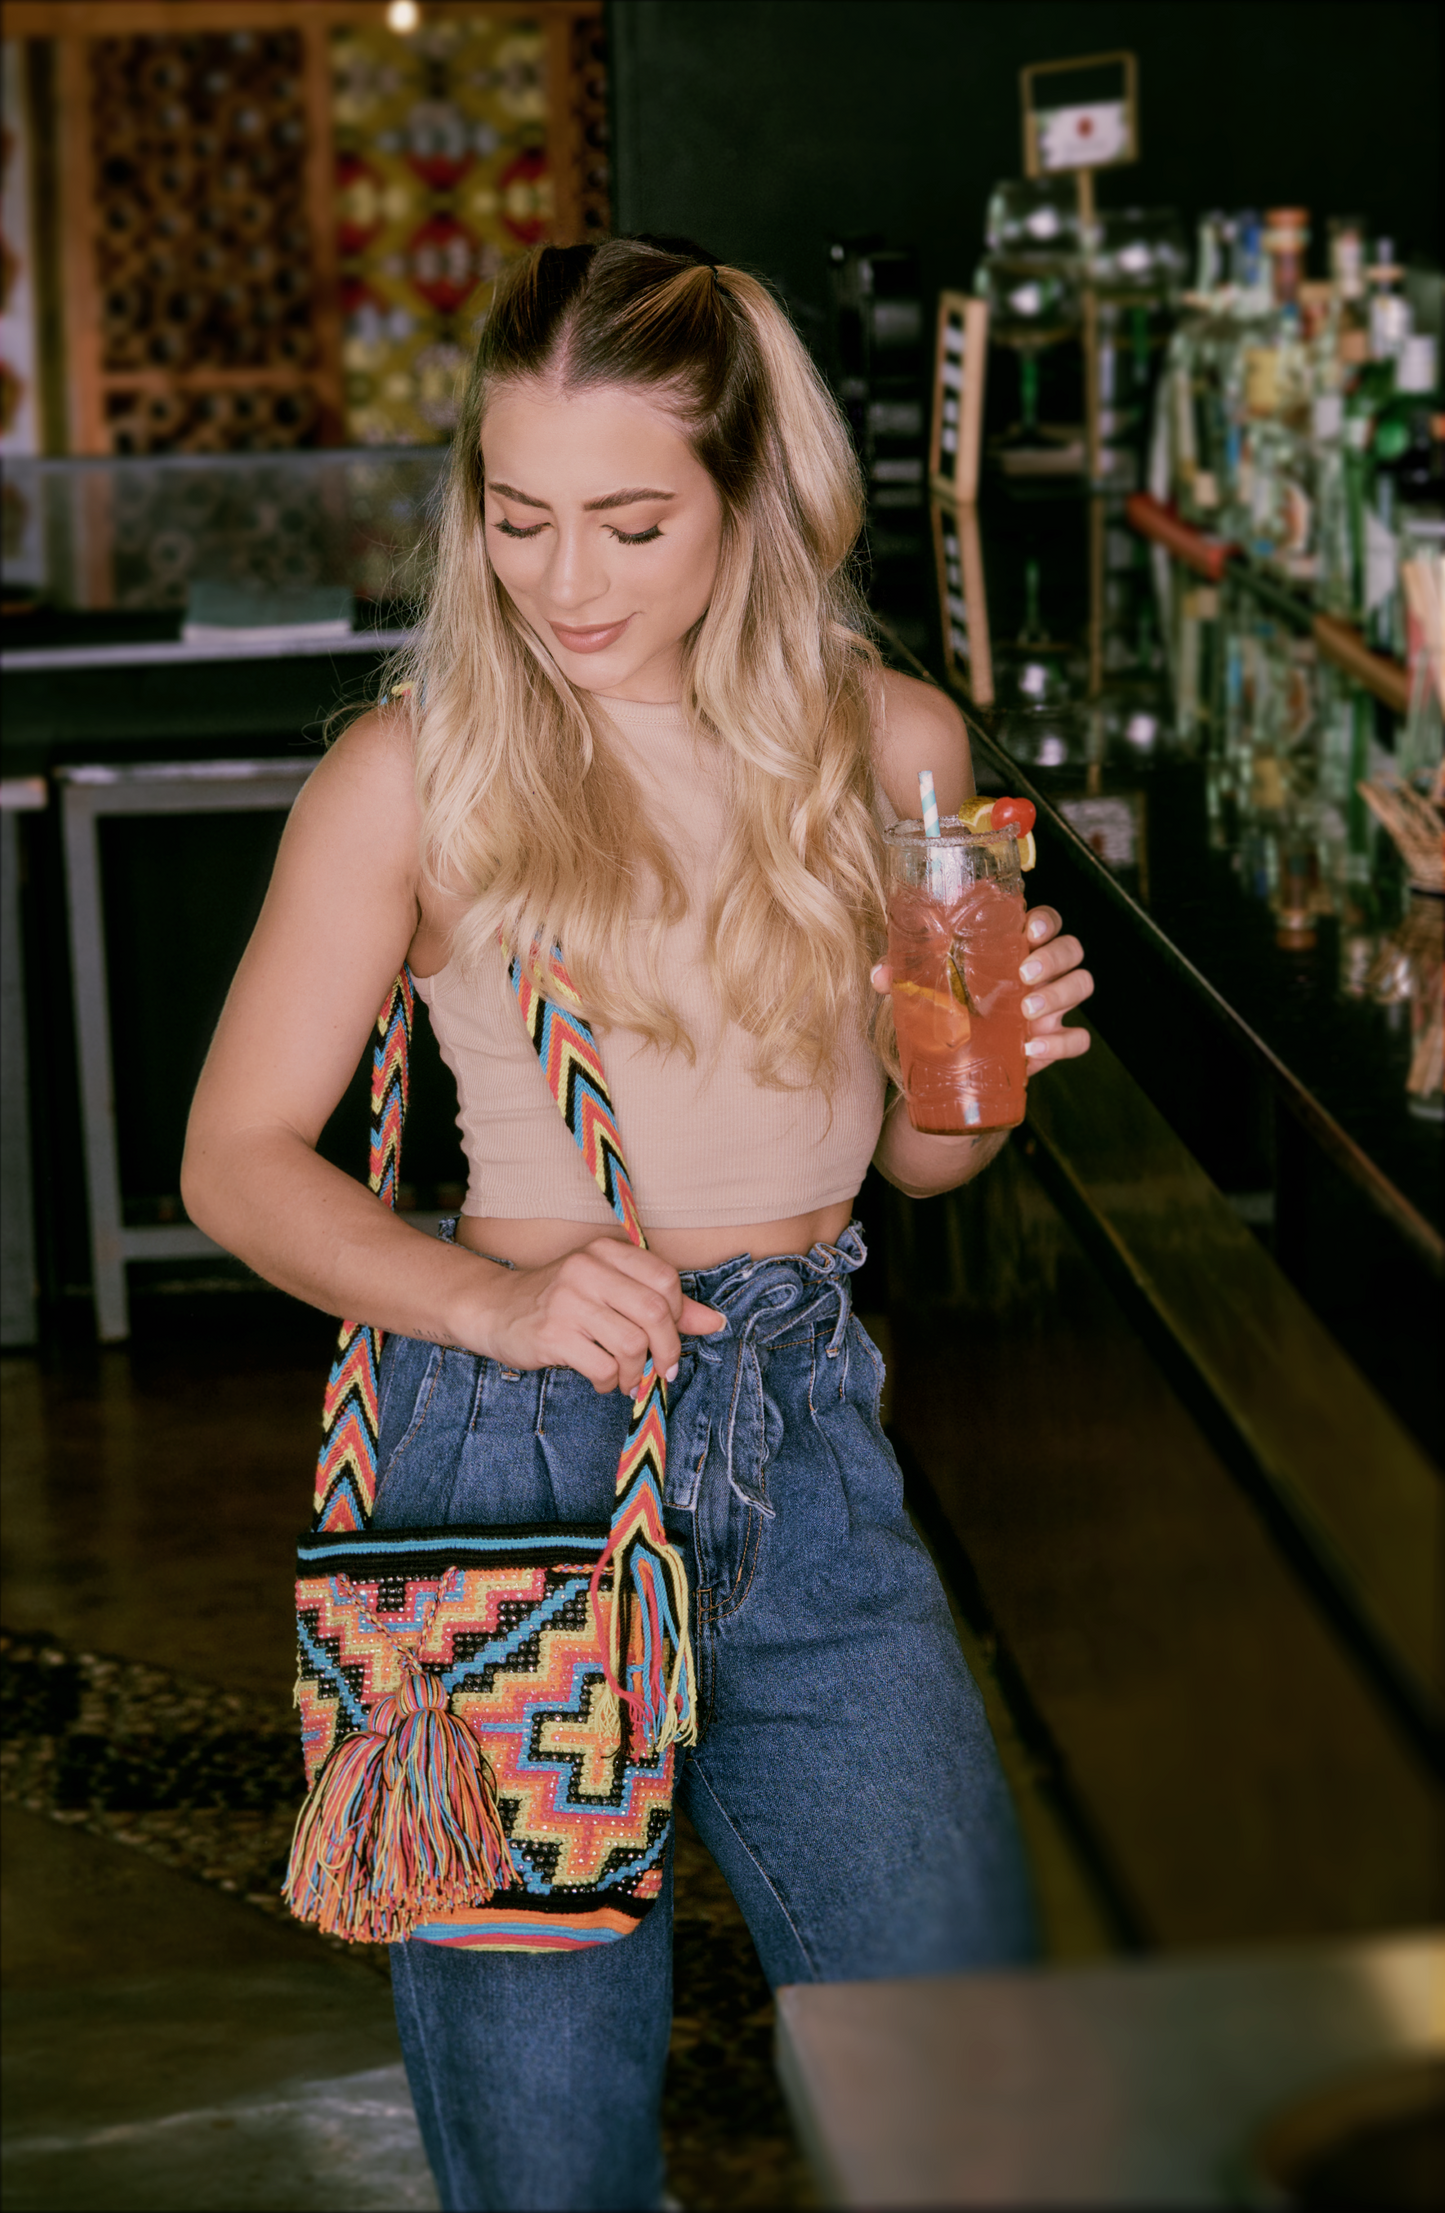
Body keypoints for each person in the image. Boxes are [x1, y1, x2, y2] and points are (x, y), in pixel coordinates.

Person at [183, 237, 1094, 2213]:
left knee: (963, 2060)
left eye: (627, 520)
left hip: (805, 1432)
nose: (565, 580)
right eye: (516, 519)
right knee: (542, 2132)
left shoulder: (891, 749)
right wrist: (486, 1307)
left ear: (749, 503)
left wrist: (988, 1065)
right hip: (514, 1444)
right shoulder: (412, 771)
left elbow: (923, 1166)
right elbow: (237, 1155)